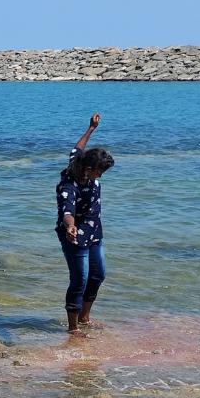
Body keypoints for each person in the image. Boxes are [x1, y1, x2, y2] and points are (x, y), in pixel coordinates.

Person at [55, 113, 115, 335]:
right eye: (100, 171)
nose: (101, 175)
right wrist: (70, 226)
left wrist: (91, 128)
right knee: (79, 279)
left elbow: (78, 147)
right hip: (75, 235)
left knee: (98, 275)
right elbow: (67, 210)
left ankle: (84, 318)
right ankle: (72, 328)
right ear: (88, 169)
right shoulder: (69, 186)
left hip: (95, 231)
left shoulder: (78, 160)